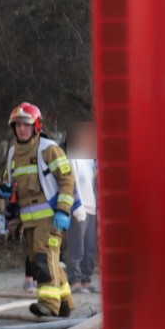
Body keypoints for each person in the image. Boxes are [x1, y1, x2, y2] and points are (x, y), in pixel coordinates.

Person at [0, 103, 77, 318]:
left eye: (26, 125)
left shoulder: (48, 149)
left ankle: (49, 304)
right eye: (18, 125)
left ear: (36, 126)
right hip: (28, 220)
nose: (22, 129)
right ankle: (65, 302)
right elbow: (9, 181)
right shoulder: (13, 153)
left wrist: (63, 210)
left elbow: (67, 179)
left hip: (50, 218)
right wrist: (5, 190)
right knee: (41, 260)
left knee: (44, 259)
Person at [66, 123, 99, 293]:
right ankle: (75, 280)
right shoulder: (73, 158)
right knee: (76, 246)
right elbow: (71, 183)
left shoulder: (90, 160)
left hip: (91, 207)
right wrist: (76, 207)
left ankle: (86, 279)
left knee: (90, 247)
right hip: (79, 209)